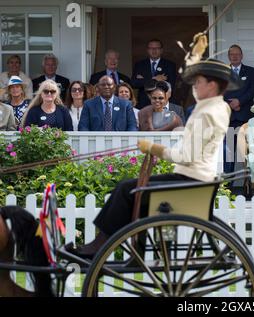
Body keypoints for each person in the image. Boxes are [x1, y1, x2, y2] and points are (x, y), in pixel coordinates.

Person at [67, 59, 240, 259]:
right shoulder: (217, 108)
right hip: (196, 180)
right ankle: (118, 247)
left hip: (191, 181)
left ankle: (98, 246)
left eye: (198, 82)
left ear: (211, 85)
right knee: (133, 188)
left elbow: (186, 156)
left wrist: (153, 148)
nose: (194, 86)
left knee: (126, 189)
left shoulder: (206, 113)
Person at [223, 44, 254, 173]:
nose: (235, 56)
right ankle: (227, 185)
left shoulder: (250, 71)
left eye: (237, 54)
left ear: (242, 56)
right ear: (228, 56)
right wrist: (231, 104)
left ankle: (248, 183)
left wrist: (240, 102)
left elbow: (253, 90)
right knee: (229, 153)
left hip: (245, 118)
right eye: (232, 54)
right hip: (229, 118)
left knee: (247, 152)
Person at [131, 39, 177, 109]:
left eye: (157, 48)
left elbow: (171, 85)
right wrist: (154, 79)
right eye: (151, 48)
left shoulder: (170, 65)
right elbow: (134, 83)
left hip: (162, 104)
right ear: (147, 50)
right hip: (144, 104)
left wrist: (144, 80)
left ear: (161, 50)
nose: (154, 50)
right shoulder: (140, 65)